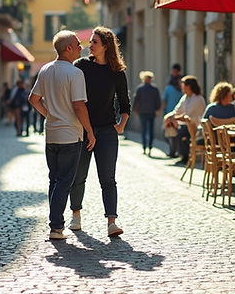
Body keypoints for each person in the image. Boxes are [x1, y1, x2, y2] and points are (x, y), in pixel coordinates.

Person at [29, 31, 96, 241]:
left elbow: (33, 99)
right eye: (77, 44)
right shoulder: (75, 73)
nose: (81, 47)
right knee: (65, 181)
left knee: (54, 180)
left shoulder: (45, 69)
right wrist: (90, 131)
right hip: (70, 135)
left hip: (51, 134)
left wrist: (49, 114)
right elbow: (78, 105)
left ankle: (55, 225)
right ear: (68, 48)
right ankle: (56, 227)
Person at [68, 27, 131, 237]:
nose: (90, 45)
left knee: (108, 178)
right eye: (91, 42)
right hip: (82, 130)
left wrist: (121, 125)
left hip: (106, 132)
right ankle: (75, 215)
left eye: (94, 42)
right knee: (78, 176)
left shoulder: (117, 73)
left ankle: (112, 222)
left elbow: (125, 104)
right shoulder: (81, 66)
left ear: (106, 46)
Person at [164, 75, 205, 165]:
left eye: (184, 86)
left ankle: (185, 156)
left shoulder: (198, 99)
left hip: (196, 127)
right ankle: (180, 153)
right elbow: (177, 110)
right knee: (171, 130)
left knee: (181, 133)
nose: (182, 88)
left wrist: (180, 118)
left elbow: (197, 117)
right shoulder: (185, 98)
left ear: (189, 86)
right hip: (186, 125)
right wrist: (169, 117)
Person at [131, 70, 162, 155]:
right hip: (151, 111)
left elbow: (136, 100)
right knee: (150, 130)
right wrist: (157, 110)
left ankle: (145, 146)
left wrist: (135, 109)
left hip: (143, 111)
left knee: (144, 130)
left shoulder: (140, 89)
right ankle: (149, 146)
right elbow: (158, 102)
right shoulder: (154, 89)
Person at [162, 75, 182, 157]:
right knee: (168, 134)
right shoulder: (169, 89)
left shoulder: (182, 90)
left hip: (178, 116)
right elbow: (164, 101)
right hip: (170, 115)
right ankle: (173, 150)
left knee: (174, 135)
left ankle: (174, 151)